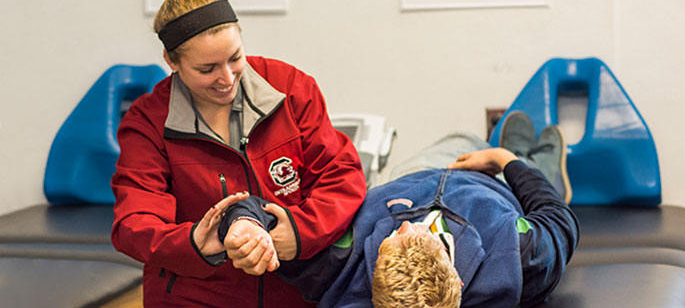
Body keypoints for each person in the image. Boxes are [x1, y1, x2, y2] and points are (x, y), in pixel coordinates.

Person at [110, 0, 367, 307]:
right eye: (207, 69)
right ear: (172, 61)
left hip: (293, 292)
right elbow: (135, 222)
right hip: (194, 296)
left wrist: (300, 231)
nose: (227, 78)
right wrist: (194, 242)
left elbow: (341, 176)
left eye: (235, 58)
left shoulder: (290, 88)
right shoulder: (148, 122)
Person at [220, 130, 579, 307]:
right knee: (519, 165)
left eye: (392, 238)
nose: (405, 223)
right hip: (489, 187)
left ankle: (509, 141)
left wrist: (242, 224)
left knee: (457, 138)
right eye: (422, 234)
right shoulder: (522, 259)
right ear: (455, 275)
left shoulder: (334, 263)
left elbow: (250, 209)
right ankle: (525, 152)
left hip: (410, 177)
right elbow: (558, 218)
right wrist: (504, 160)